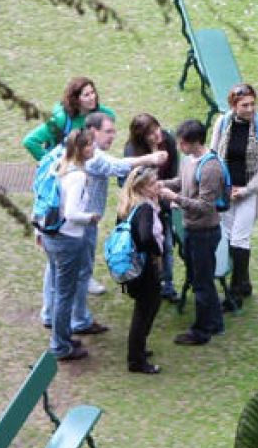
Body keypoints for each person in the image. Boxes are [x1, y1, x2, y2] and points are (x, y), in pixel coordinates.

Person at [40, 112, 166, 334]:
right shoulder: (91, 159)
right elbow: (116, 166)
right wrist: (150, 159)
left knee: (53, 269)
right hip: (79, 226)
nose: (113, 136)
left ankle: (49, 314)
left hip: (52, 226)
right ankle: (78, 320)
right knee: (81, 272)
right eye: (108, 131)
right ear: (93, 132)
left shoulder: (64, 152)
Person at [24, 76, 114, 295]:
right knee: (63, 228)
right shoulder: (60, 120)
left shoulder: (103, 116)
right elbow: (30, 141)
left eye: (93, 92)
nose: (92, 97)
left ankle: (85, 275)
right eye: (86, 94)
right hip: (66, 181)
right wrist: (53, 162)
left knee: (84, 234)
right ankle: (68, 282)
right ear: (76, 99)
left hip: (86, 180)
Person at [209, 83, 258, 310]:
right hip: (226, 190)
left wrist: (248, 189)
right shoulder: (223, 122)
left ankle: (235, 292)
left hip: (249, 191)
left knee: (240, 238)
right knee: (228, 236)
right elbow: (213, 154)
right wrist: (221, 186)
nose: (250, 109)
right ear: (233, 106)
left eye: (252, 104)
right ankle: (244, 283)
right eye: (244, 105)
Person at [159, 119, 225, 345]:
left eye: (182, 143)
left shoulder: (210, 168)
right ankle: (215, 322)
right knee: (201, 278)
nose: (179, 148)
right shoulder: (189, 160)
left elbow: (205, 206)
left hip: (204, 232)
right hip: (192, 229)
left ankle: (202, 330)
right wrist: (162, 185)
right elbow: (181, 182)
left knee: (201, 282)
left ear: (194, 142)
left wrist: (175, 199)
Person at [40, 129, 99, 361]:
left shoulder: (59, 167)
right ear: (81, 150)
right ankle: (60, 345)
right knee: (65, 294)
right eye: (90, 145)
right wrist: (90, 217)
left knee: (57, 289)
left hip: (51, 237)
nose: (94, 149)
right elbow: (73, 213)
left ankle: (61, 336)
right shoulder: (78, 177)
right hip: (68, 240)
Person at [122, 113, 181, 303]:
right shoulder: (133, 151)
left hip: (163, 202)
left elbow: (174, 174)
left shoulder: (168, 141)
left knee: (167, 245)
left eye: (157, 128)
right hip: (142, 206)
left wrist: (163, 189)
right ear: (141, 138)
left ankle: (167, 284)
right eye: (150, 133)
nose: (157, 134)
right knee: (145, 245)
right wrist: (151, 160)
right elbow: (128, 182)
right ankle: (142, 282)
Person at [116, 166, 164, 374]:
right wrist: (156, 254)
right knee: (145, 310)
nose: (158, 185)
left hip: (134, 267)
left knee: (147, 307)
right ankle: (136, 360)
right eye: (153, 183)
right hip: (144, 269)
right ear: (143, 188)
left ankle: (139, 349)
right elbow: (145, 237)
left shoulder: (129, 205)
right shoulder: (144, 209)